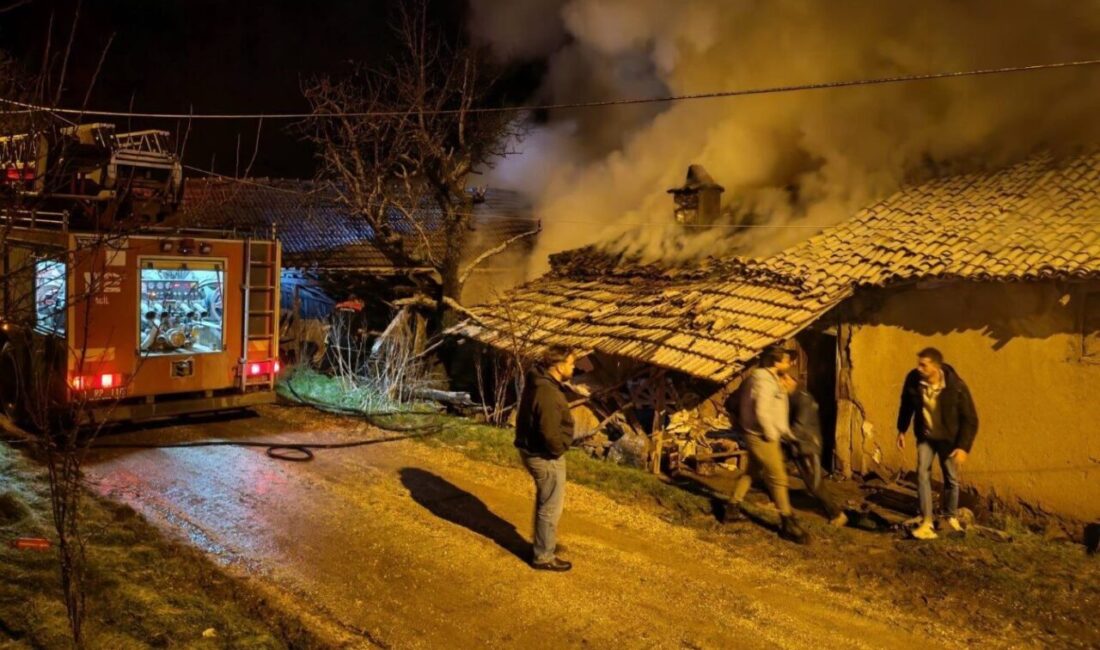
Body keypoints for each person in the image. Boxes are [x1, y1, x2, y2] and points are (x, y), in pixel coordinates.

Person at [725, 345, 809, 544]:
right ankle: (787, 524)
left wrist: (786, 433)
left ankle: (731, 508)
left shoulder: (768, 379)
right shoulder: (764, 382)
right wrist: (772, 434)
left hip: (761, 433)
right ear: (776, 362)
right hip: (761, 436)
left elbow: (775, 409)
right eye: (787, 361)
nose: (790, 364)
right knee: (779, 478)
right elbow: (762, 411)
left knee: (751, 473)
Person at [896, 347, 979, 540]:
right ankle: (926, 520)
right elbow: (906, 404)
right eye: (919, 364)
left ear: (935, 366)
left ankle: (949, 516)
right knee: (922, 473)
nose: (919, 368)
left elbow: (970, 419)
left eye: (923, 365)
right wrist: (902, 429)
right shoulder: (913, 380)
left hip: (949, 440)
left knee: (950, 477)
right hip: (926, 436)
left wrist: (963, 447)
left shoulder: (956, 386)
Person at [514, 346, 578, 571]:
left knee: (546, 502)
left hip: (535, 450)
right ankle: (543, 556)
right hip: (544, 454)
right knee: (550, 506)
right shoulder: (547, 393)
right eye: (571, 363)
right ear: (559, 366)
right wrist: (559, 448)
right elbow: (549, 432)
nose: (573, 367)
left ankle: (541, 547)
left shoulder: (541, 381)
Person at [780, 373, 848, 528]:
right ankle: (781, 503)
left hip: (807, 446)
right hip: (797, 445)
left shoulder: (803, 398)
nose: (782, 382)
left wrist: (779, 435)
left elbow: (799, 427)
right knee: (778, 472)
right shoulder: (791, 396)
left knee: (815, 484)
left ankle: (837, 514)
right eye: (782, 378)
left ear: (794, 380)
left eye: (786, 378)